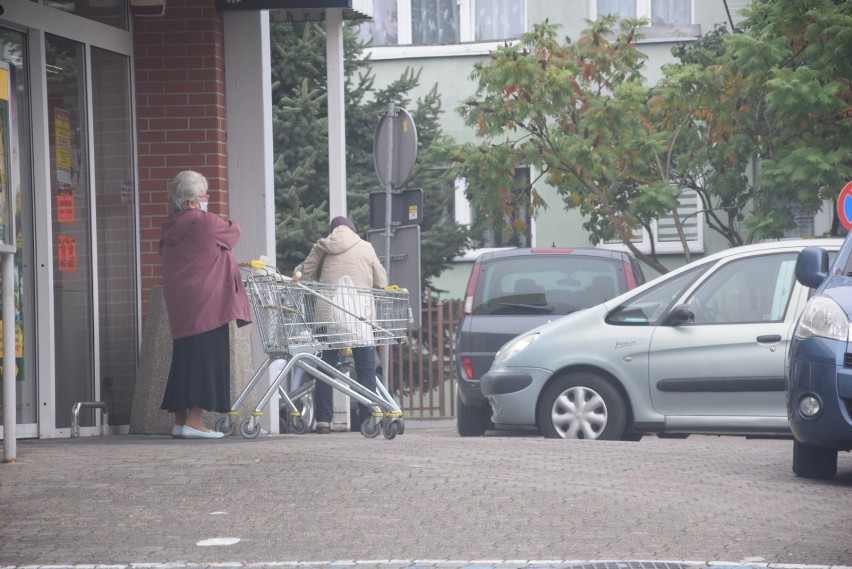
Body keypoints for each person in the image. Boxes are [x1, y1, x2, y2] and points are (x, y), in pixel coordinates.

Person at [159, 170, 252, 439]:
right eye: (203, 196)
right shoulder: (205, 223)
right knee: (208, 362)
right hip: (210, 304)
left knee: (184, 360)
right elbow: (234, 232)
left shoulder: (170, 227)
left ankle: (180, 420)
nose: (206, 200)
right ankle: (195, 422)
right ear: (190, 202)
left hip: (182, 306)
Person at [294, 216, 387, 434]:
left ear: (331, 231)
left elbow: (304, 275)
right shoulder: (366, 247)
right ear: (353, 230)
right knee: (366, 368)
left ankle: (323, 420)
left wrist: (318, 258)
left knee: (326, 368)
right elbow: (381, 282)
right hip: (360, 318)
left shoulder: (323, 247)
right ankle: (367, 418)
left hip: (329, 318)